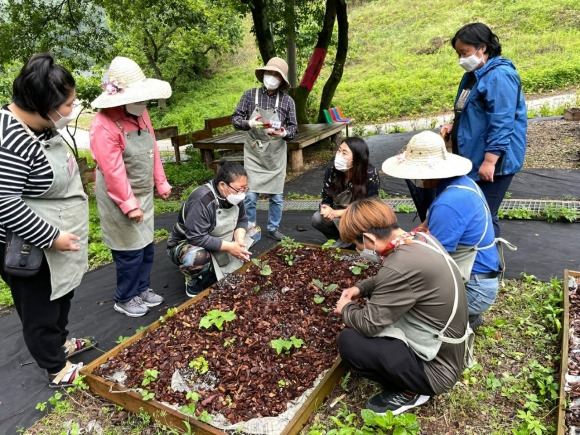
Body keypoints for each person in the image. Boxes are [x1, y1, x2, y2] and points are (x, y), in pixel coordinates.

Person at [0, 53, 96, 388]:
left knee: (61, 294)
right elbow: (4, 202)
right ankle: (55, 368)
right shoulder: (9, 139)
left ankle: (60, 343)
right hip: (27, 246)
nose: (72, 110)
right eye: (68, 104)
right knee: (40, 307)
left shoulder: (40, 126)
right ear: (44, 104)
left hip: (56, 236)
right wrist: (52, 236)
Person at [334, 198, 471, 415]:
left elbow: (369, 324)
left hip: (437, 369)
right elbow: (394, 277)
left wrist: (346, 308)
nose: (358, 249)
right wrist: (361, 288)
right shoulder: (419, 239)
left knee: (349, 342)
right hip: (452, 349)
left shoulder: (400, 265)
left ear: (369, 238)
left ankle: (412, 390)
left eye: (357, 244)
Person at [383, 131, 510, 330]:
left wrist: (397, 263)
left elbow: (435, 261)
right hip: (484, 277)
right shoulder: (460, 184)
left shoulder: (448, 205)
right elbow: (430, 223)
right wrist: (416, 232)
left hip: (475, 288)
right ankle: (465, 314)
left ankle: (464, 317)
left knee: (407, 308)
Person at [89, 56, 172, 318]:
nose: (143, 104)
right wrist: (129, 205)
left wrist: (161, 182)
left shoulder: (141, 113)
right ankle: (125, 297)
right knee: (129, 250)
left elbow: (153, 151)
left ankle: (143, 288)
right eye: (138, 99)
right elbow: (113, 173)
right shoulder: (103, 125)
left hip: (143, 192)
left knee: (146, 245)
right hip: (118, 198)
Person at [440, 22, 527, 237]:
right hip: (474, 156)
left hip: (495, 162)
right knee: (475, 211)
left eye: (465, 52)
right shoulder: (474, 74)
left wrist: (490, 161)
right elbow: (471, 109)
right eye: (458, 54)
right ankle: (477, 263)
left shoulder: (500, 76)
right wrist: (456, 124)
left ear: (483, 47)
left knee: (485, 214)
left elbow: (502, 121)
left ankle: (491, 267)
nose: (461, 59)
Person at [232, 57, 298, 241]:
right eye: (270, 73)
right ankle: (250, 227)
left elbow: (294, 129)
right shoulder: (249, 95)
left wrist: (284, 133)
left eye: (277, 75)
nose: (272, 77)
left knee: (276, 197)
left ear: (282, 80)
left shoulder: (287, 101)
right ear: (263, 74)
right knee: (250, 196)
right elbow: (235, 119)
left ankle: (273, 228)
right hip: (254, 152)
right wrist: (249, 123)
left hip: (275, 153)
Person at [167, 160, 253, 297]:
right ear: (222, 185)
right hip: (189, 242)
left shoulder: (234, 196)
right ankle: (195, 281)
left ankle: (219, 266)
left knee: (254, 231)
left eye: (245, 188)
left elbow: (242, 220)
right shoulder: (202, 199)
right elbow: (196, 237)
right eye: (239, 189)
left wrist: (239, 240)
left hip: (219, 237)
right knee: (196, 257)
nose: (242, 193)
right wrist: (230, 247)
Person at [311, 137, 380, 247]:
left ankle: (357, 241)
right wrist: (325, 209)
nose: (339, 156)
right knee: (317, 219)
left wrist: (336, 213)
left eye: (344, 153)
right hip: (339, 218)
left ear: (357, 158)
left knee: (368, 228)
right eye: (339, 151)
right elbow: (326, 198)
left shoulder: (370, 174)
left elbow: (368, 208)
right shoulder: (332, 170)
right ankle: (341, 239)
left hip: (360, 217)